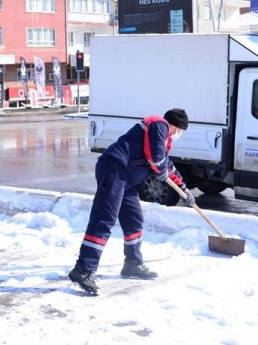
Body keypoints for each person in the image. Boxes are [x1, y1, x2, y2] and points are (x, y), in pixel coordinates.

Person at [69, 108, 195, 296]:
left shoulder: (164, 141)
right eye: (181, 130)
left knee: (134, 220)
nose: (180, 135)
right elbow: (156, 159)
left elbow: (167, 166)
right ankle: (83, 269)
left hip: (126, 179)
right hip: (114, 169)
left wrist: (184, 191)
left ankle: (132, 264)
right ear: (176, 127)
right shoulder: (159, 125)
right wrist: (160, 169)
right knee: (105, 219)